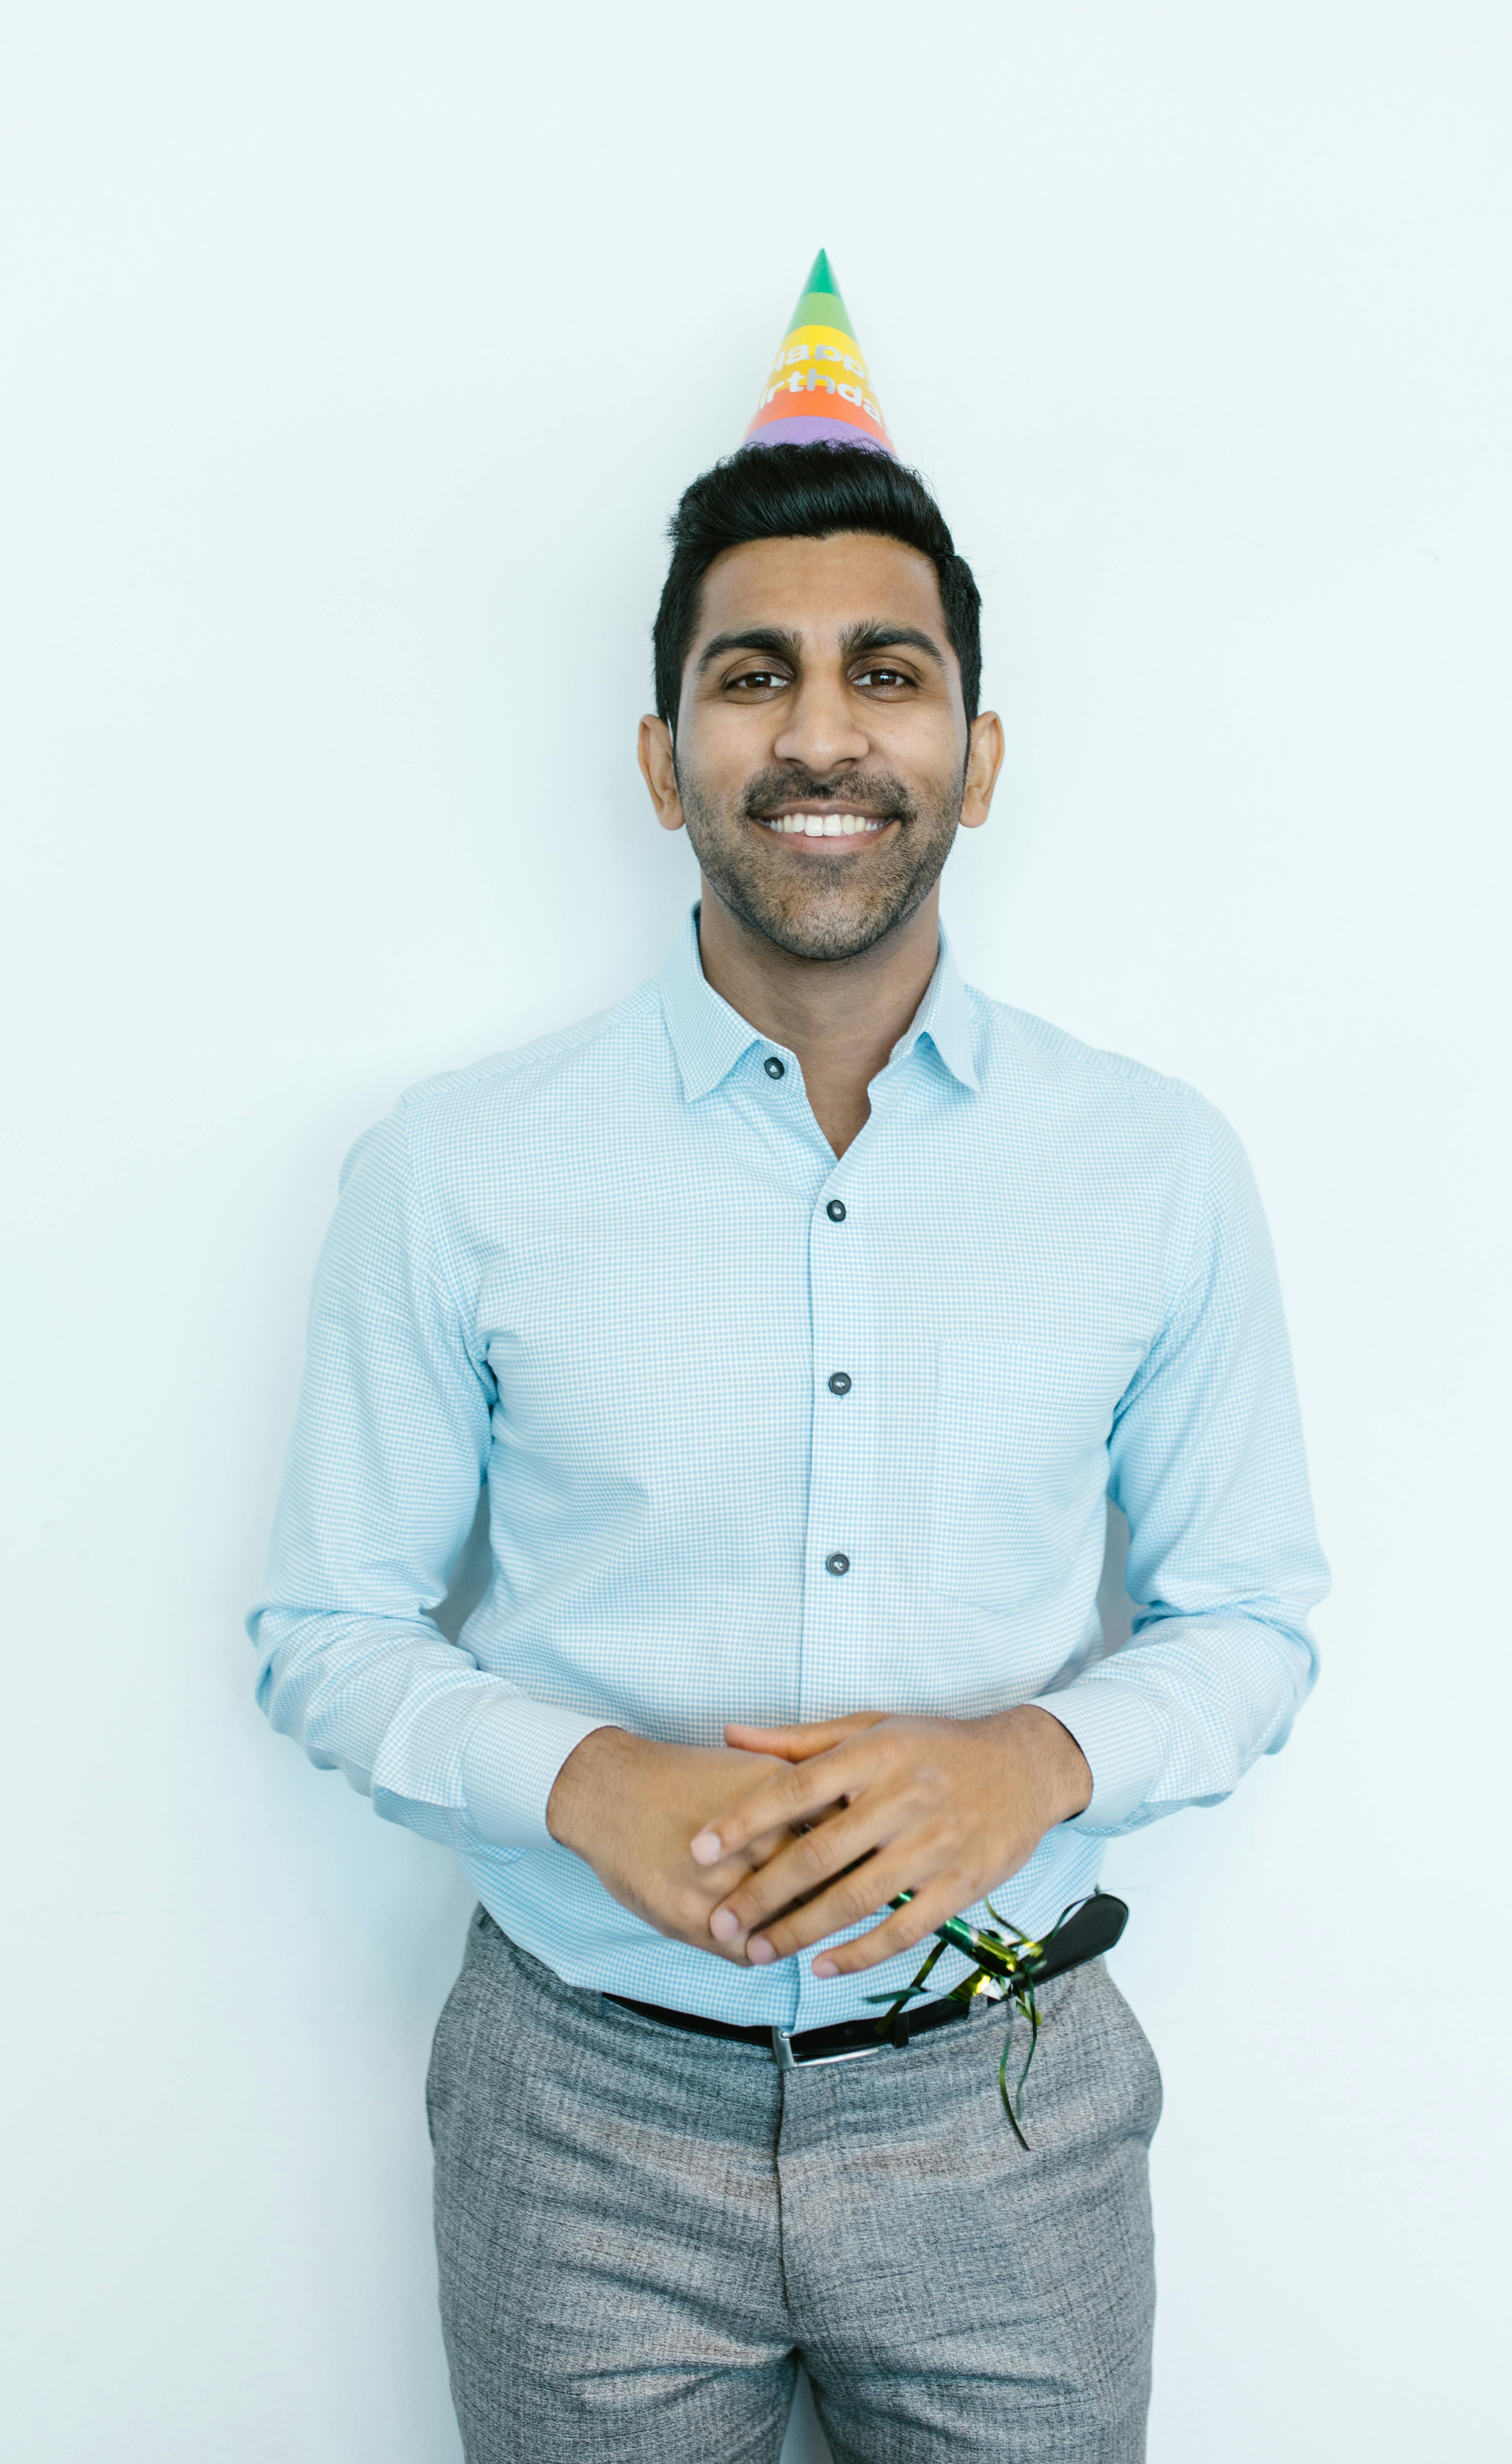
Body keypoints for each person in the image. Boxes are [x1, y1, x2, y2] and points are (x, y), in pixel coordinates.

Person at [249, 252, 1327, 2464]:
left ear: (978, 755)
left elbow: (1254, 1624)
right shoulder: (451, 1170)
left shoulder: (1153, 1168)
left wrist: (1029, 1761)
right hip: (580, 2113)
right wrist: (582, 1782)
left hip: (1008, 2109)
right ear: (667, 760)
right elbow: (323, 1634)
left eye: (886, 674)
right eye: (755, 677)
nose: (822, 733)